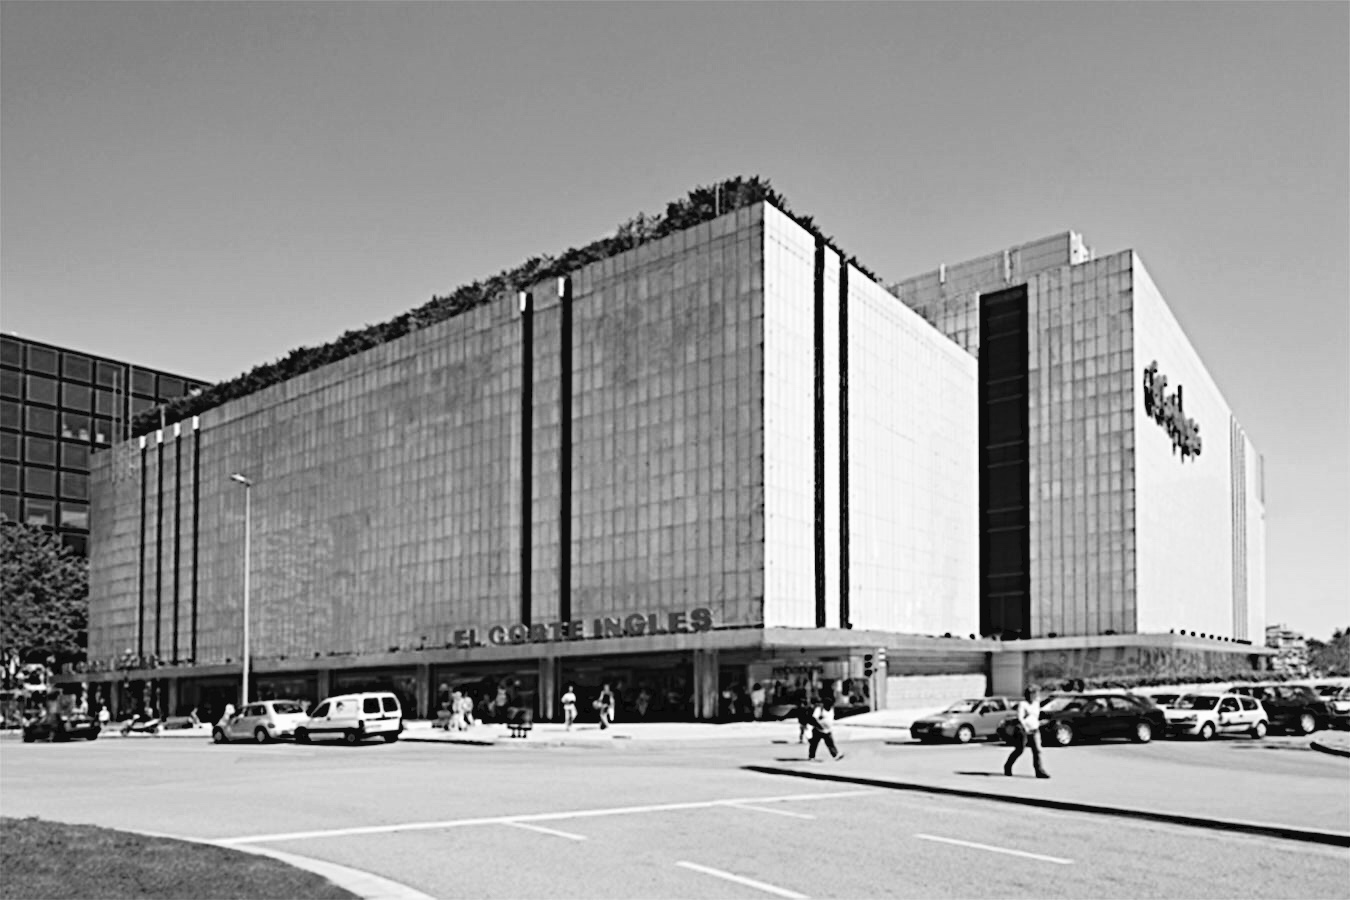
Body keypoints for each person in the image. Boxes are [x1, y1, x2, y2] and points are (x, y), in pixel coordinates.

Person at [1005, 684, 1050, 779]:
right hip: (1024, 730)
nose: (1034, 696)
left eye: (1035, 694)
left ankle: (1039, 771)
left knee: (1037, 751)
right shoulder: (1023, 704)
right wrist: (1025, 727)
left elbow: (1035, 716)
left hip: (1035, 729)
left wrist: (1038, 723)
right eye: (1032, 694)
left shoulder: (1036, 703)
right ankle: (1008, 766)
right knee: (1019, 750)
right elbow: (1020, 718)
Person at [807, 696, 844, 762]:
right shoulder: (819, 709)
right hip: (818, 730)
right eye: (828, 704)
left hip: (827, 730)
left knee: (830, 743)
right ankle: (811, 757)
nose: (829, 706)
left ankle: (835, 755)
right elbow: (814, 718)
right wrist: (819, 725)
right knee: (814, 744)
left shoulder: (832, 709)